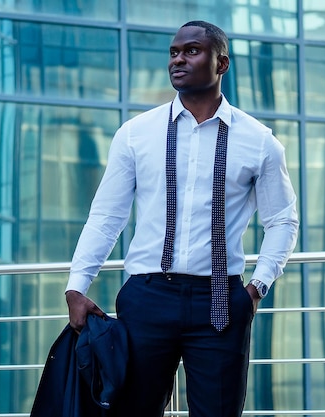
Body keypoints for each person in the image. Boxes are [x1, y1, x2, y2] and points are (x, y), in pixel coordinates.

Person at [65, 20, 299, 417]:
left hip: (221, 301)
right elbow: (107, 215)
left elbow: (283, 221)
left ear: (221, 63)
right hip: (148, 296)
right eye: (174, 52)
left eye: (192, 51)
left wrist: (257, 288)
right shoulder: (135, 133)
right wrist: (76, 286)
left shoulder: (259, 141)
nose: (178, 59)